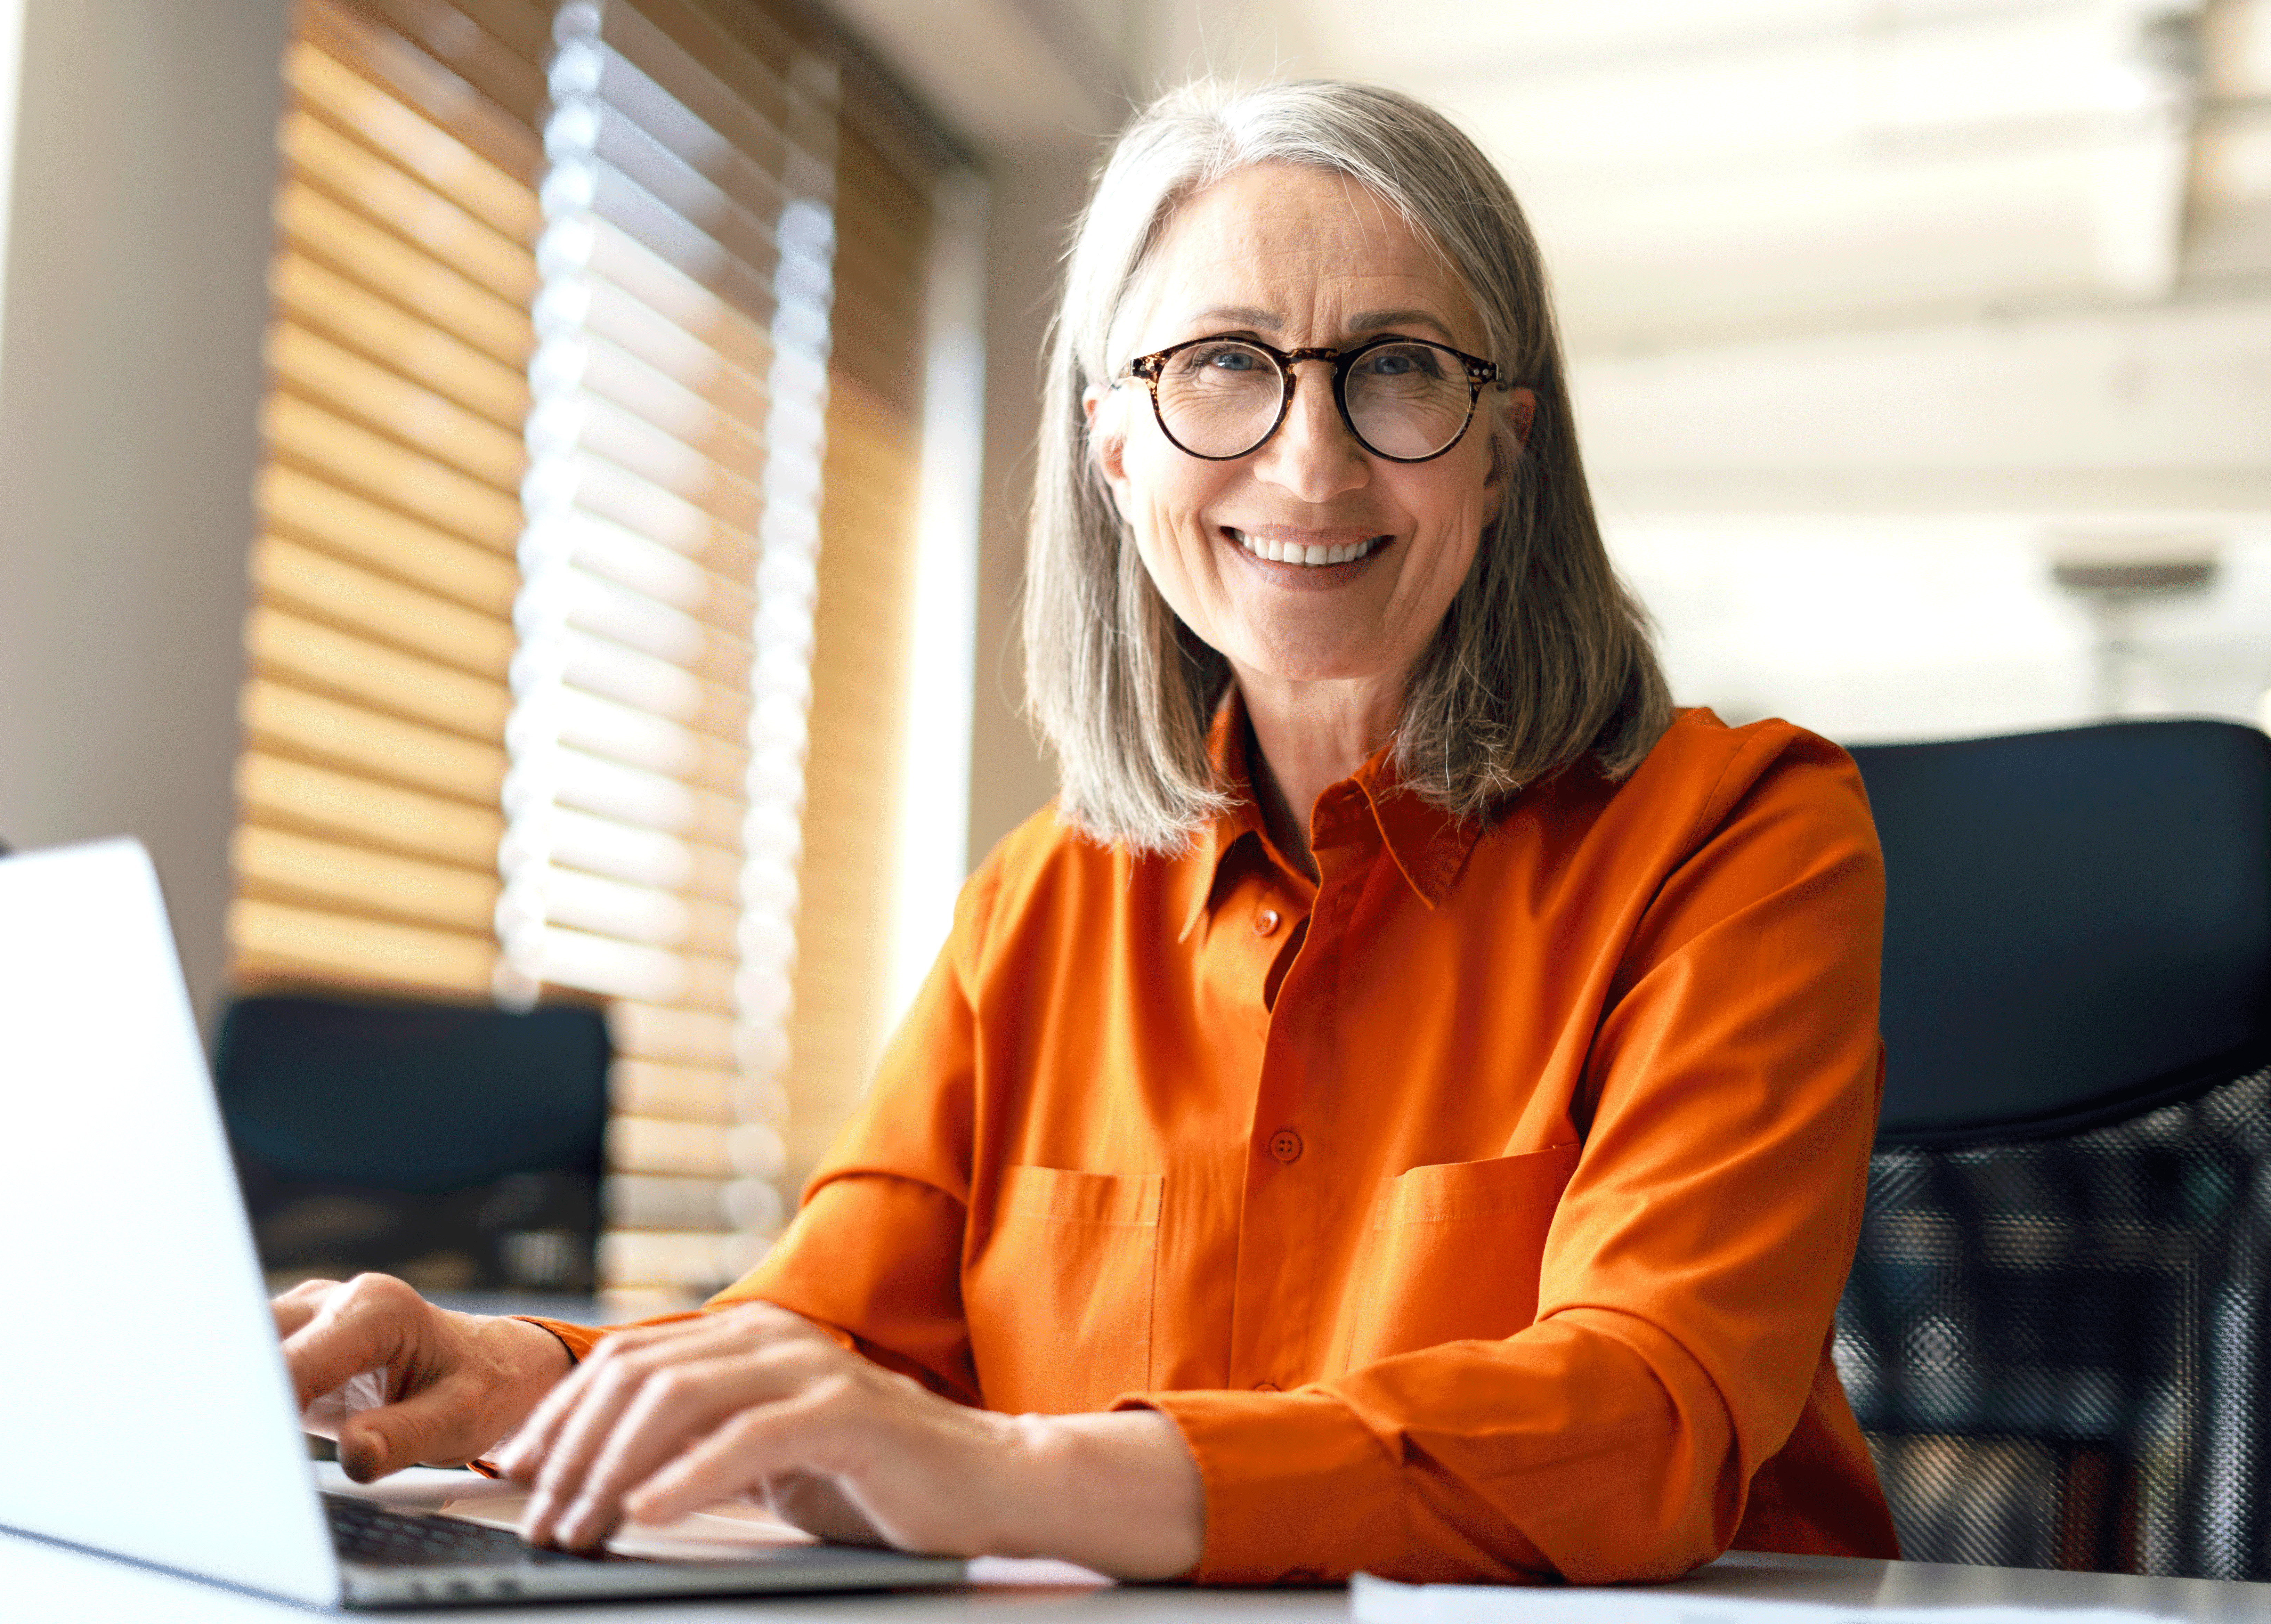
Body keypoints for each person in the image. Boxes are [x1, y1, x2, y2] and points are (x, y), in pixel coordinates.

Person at [275, 78, 1900, 1585]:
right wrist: (515, 1375)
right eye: (1222, 365)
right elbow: (823, 1348)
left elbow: (1641, 1419)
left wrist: (1010, 1474)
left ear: (1503, 448)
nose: (1313, 458)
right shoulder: (1039, 903)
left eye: (1402, 364)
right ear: (1116, 452)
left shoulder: (1742, 836)